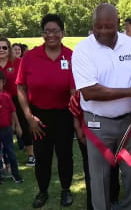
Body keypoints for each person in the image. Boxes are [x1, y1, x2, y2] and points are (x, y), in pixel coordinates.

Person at [72, 3, 131, 210]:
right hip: (98, 123)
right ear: (92, 25)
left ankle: (130, 207)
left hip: (129, 121)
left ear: (118, 23)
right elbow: (89, 91)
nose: (103, 31)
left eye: (108, 26)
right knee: (100, 177)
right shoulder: (83, 49)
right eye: (98, 26)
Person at [16, 14, 76, 208]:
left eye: (56, 31)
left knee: (65, 154)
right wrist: (28, 117)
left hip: (64, 115)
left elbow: (75, 90)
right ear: (42, 34)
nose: (51, 35)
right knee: (42, 157)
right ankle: (43, 191)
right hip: (38, 116)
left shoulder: (71, 56)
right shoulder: (30, 57)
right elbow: (20, 87)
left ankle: (66, 189)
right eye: (47, 31)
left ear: (63, 33)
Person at [0, 38, 34, 167]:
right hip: (1, 99)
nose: (1, 50)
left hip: (17, 98)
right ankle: (5, 160)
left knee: (23, 125)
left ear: (9, 49)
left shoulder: (17, 62)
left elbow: (27, 79)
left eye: (4, 47)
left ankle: (31, 155)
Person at [0, 71, 23, 183]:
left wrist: (17, 125)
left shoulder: (6, 97)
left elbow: (13, 112)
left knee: (10, 151)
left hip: (6, 129)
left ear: (3, 82)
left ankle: (15, 173)